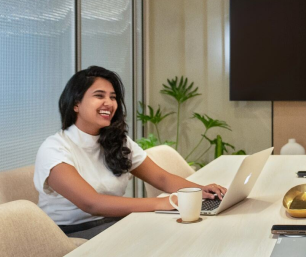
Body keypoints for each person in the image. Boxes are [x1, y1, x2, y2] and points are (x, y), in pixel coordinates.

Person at [34, 66, 226, 239]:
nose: (109, 103)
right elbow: (91, 203)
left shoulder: (117, 140)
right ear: (76, 104)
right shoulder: (54, 148)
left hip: (114, 223)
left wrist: (199, 191)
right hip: (70, 235)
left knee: (182, 233)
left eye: (113, 97)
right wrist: (162, 203)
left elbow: (162, 178)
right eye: (99, 96)